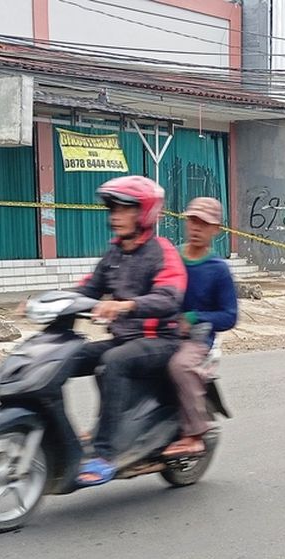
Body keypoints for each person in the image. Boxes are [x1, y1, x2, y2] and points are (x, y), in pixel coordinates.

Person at [71, 175, 187, 485]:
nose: (115, 216)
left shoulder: (162, 251)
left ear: (144, 213)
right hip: (125, 339)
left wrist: (124, 306)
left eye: (124, 209)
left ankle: (104, 454)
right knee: (68, 355)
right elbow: (88, 289)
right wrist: (50, 302)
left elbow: (168, 297)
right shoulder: (114, 254)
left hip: (160, 340)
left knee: (114, 362)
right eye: (113, 210)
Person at [161, 197, 238, 458]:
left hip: (197, 340)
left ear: (216, 229)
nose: (196, 228)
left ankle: (194, 433)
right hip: (163, 331)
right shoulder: (172, 257)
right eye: (193, 221)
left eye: (204, 224)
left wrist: (194, 318)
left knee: (179, 366)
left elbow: (229, 316)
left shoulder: (219, 270)